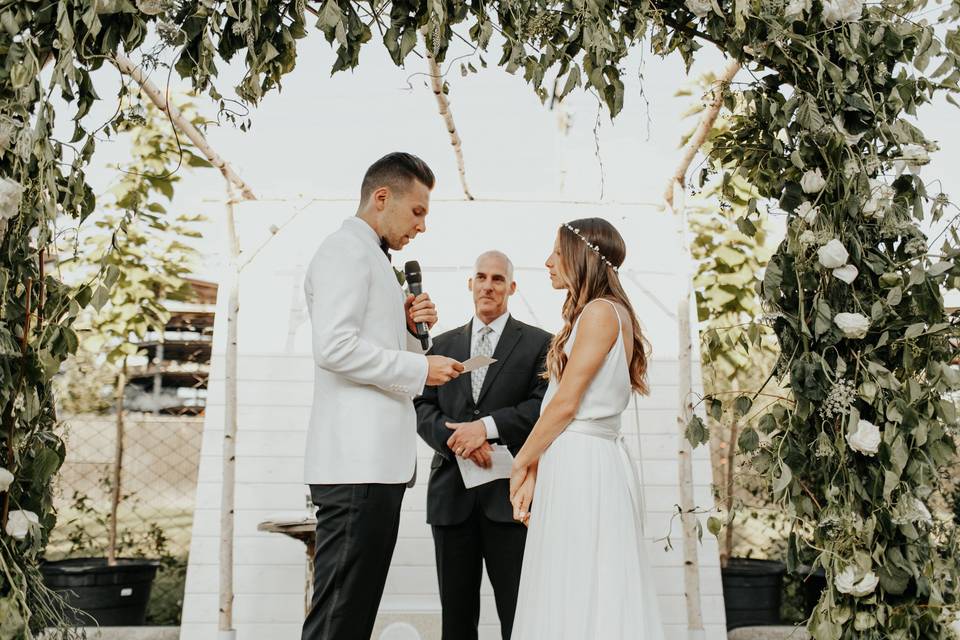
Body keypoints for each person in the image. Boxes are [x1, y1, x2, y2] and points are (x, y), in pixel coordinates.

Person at [302, 152, 463, 640]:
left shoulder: (373, 258)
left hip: (373, 467)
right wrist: (420, 366)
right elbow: (334, 348)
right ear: (381, 197)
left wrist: (415, 332)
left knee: (352, 613)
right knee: (339, 614)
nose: (422, 226)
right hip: (356, 465)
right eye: (417, 212)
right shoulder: (345, 251)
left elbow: (371, 348)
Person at [509, 218, 666, 639]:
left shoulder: (600, 313)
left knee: (583, 580)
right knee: (571, 578)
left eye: (557, 254)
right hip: (576, 458)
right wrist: (537, 468)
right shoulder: (599, 313)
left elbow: (566, 402)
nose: (547, 262)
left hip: (584, 465)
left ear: (580, 258)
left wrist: (520, 463)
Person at [415, 251, 551, 640]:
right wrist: (457, 440)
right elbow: (421, 405)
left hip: (509, 499)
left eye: (497, 278)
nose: (488, 286)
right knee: (456, 619)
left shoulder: (540, 344)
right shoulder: (439, 344)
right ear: (470, 283)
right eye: (481, 277)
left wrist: (486, 430)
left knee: (518, 612)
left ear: (512, 287)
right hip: (450, 498)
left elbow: (540, 406)